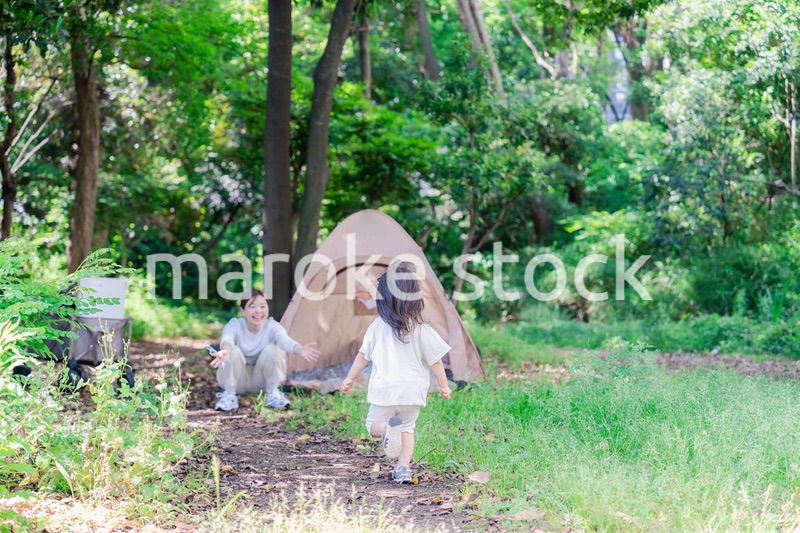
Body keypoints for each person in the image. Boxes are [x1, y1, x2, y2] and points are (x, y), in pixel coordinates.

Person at [341, 263, 451, 483]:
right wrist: (444, 386)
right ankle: (402, 469)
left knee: (372, 426)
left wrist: (349, 378)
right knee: (407, 429)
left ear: (383, 300)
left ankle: (386, 432)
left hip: (385, 391)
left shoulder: (377, 327)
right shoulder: (422, 329)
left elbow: (363, 356)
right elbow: (436, 361)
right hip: (412, 393)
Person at [210, 290, 319, 411]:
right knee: (233, 351)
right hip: (237, 382)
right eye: (252, 306)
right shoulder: (235, 325)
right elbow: (227, 339)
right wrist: (225, 351)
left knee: (273, 350)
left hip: (262, 382)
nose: (258, 311)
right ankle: (229, 396)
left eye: (262, 306)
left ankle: (273, 394)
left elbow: (285, 341)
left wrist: (300, 349)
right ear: (242, 310)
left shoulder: (272, 326)